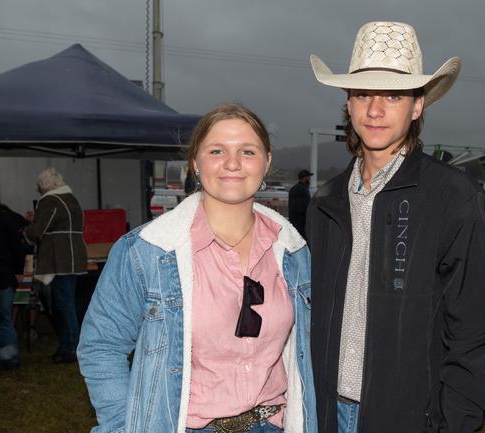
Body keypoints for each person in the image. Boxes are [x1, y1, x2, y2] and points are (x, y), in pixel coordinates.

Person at [306, 21, 485, 433]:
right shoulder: (326, 200)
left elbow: (472, 330)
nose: (375, 110)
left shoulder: (452, 197)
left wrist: (454, 423)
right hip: (324, 412)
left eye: (393, 95)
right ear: (348, 103)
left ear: (418, 106)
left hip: (409, 418)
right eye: (363, 94)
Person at [78, 103, 317, 433]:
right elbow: (101, 346)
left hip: (273, 424)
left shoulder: (293, 252)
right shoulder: (145, 252)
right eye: (217, 150)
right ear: (195, 163)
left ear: (266, 163)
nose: (232, 163)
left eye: (247, 151)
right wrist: (125, 424)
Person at [23, 167, 87, 363]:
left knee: (63, 305)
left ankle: (72, 348)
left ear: (45, 185)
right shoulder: (72, 199)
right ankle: (68, 346)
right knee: (67, 304)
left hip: (59, 260)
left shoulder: (50, 200)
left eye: (39, 187)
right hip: (75, 257)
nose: (38, 190)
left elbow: (38, 230)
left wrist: (25, 231)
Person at [0, 205, 25, 370]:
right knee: (4, 319)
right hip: (4, 277)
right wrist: (18, 269)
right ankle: (11, 361)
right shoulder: (2, 214)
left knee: (2, 319)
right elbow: (17, 245)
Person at [288, 169, 313, 238]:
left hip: (294, 220)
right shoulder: (303, 189)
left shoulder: (293, 189)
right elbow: (304, 206)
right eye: (308, 177)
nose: (309, 179)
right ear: (305, 177)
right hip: (301, 221)